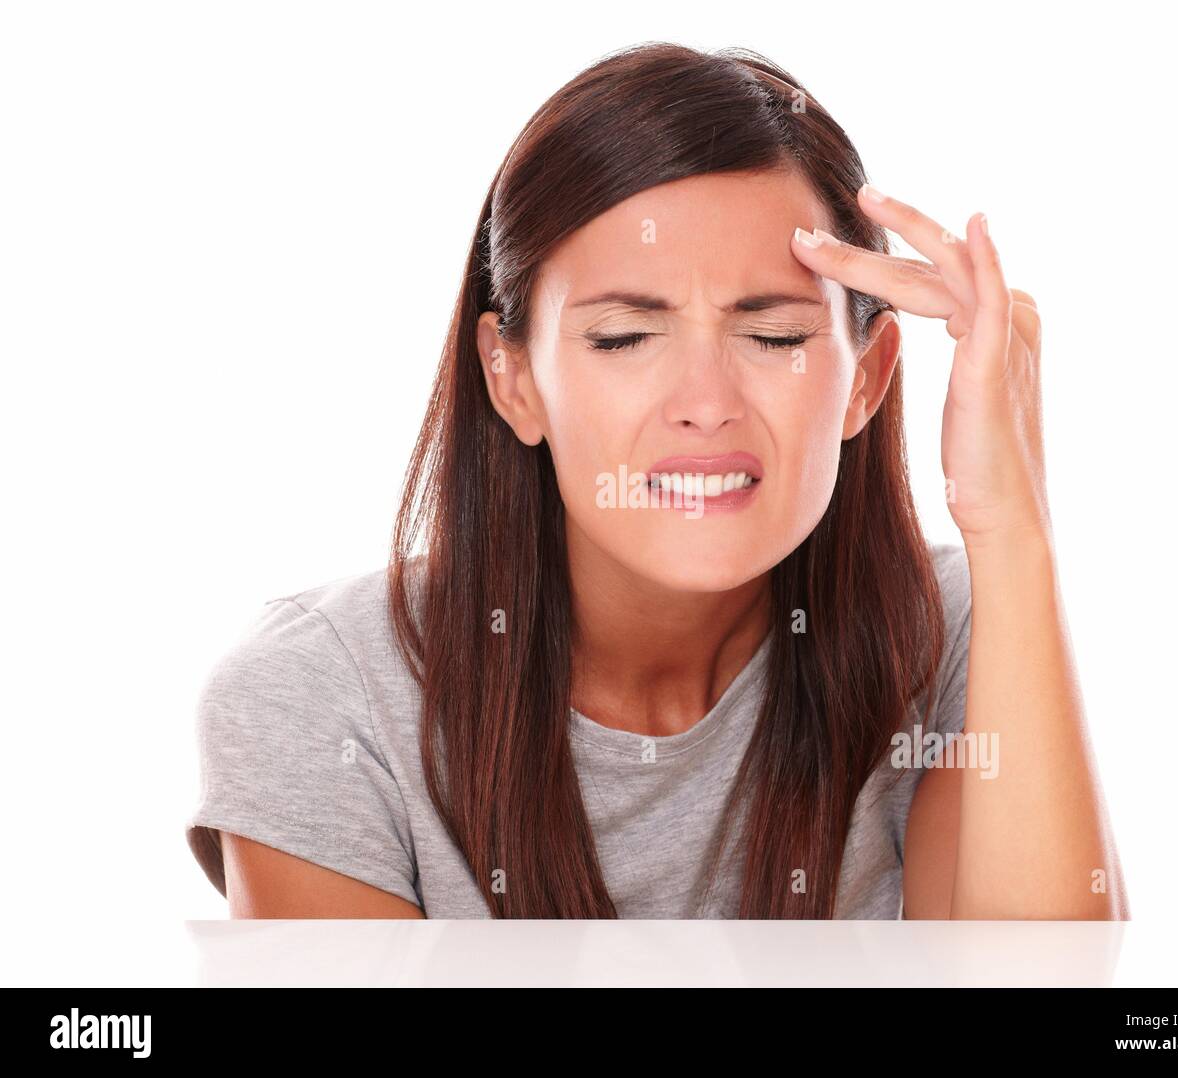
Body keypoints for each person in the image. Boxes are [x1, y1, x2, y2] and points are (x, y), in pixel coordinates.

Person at [186, 42, 1127, 920]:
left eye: (774, 338)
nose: (706, 404)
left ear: (867, 381)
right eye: (625, 338)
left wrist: (1013, 530)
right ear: (512, 380)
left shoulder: (947, 629)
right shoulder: (320, 696)